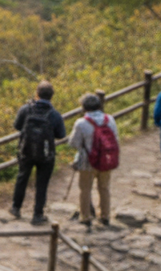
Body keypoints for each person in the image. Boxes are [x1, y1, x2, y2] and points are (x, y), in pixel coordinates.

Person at [11, 81, 67, 225]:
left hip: (26, 150)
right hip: (46, 154)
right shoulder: (55, 115)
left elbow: (17, 126)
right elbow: (61, 134)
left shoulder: (25, 109)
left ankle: (16, 208)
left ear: (37, 94)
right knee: (42, 184)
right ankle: (37, 214)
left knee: (22, 178)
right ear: (51, 96)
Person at [68, 93, 119, 229]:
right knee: (104, 188)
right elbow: (116, 139)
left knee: (85, 189)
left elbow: (73, 143)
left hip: (87, 162)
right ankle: (105, 216)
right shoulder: (110, 119)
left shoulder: (81, 123)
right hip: (106, 161)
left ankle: (86, 217)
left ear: (84, 107)